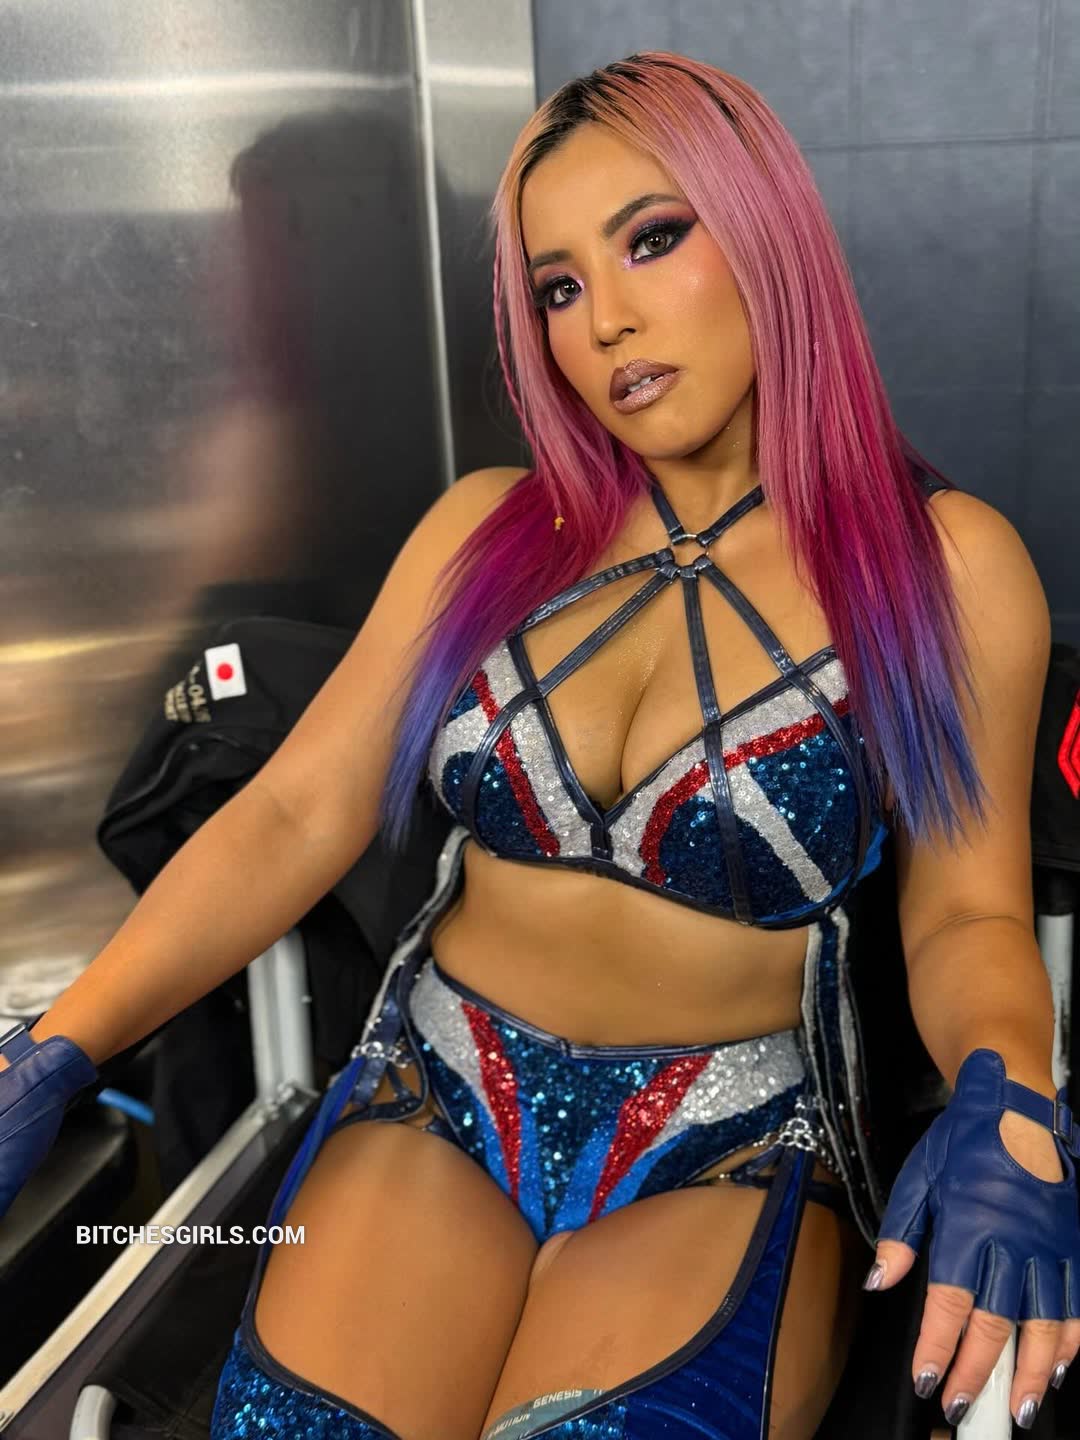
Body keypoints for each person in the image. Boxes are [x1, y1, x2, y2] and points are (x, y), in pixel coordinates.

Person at [3, 51, 1079, 1440]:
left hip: (728, 1144)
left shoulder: (944, 568)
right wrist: (57, 1050)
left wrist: (1011, 1091)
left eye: (652, 239)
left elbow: (968, 916)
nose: (607, 321)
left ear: (767, 235)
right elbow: (292, 814)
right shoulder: (488, 532)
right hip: (435, 1092)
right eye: (559, 287)